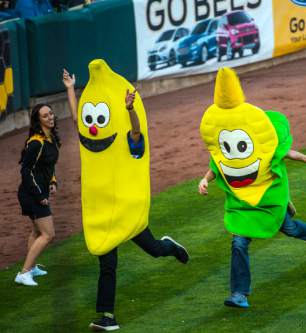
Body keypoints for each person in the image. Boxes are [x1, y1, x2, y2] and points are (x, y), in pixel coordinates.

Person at [63, 64, 189, 331]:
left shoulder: (129, 141)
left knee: (154, 250)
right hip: (103, 213)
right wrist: (70, 90)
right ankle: (107, 317)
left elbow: (135, 130)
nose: (96, 128)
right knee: (107, 264)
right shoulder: (92, 139)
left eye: (102, 120)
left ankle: (172, 248)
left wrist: (130, 109)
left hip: (126, 210)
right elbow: (79, 121)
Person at [198, 67, 306, 308]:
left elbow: (286, 153)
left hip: (268, 199)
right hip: (242, 203)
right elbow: (218, 165)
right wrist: (205, 179)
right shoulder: (225, 140)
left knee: (290, 229)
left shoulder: (261, 138)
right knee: (238, 243)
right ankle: (239, 294)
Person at [15, 104, 60, 286]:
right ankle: (24, 273)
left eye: (50, 113)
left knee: (36, 231)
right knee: (48, 234)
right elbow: (26, 171)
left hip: (37, 191)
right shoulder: (36, 142)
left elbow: (49, 166)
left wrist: (53, 181)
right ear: (38, 120)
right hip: (31, 193)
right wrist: (39, 193)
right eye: (44, 116)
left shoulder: (50, 138)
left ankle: (31, 268)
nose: (50, 117)